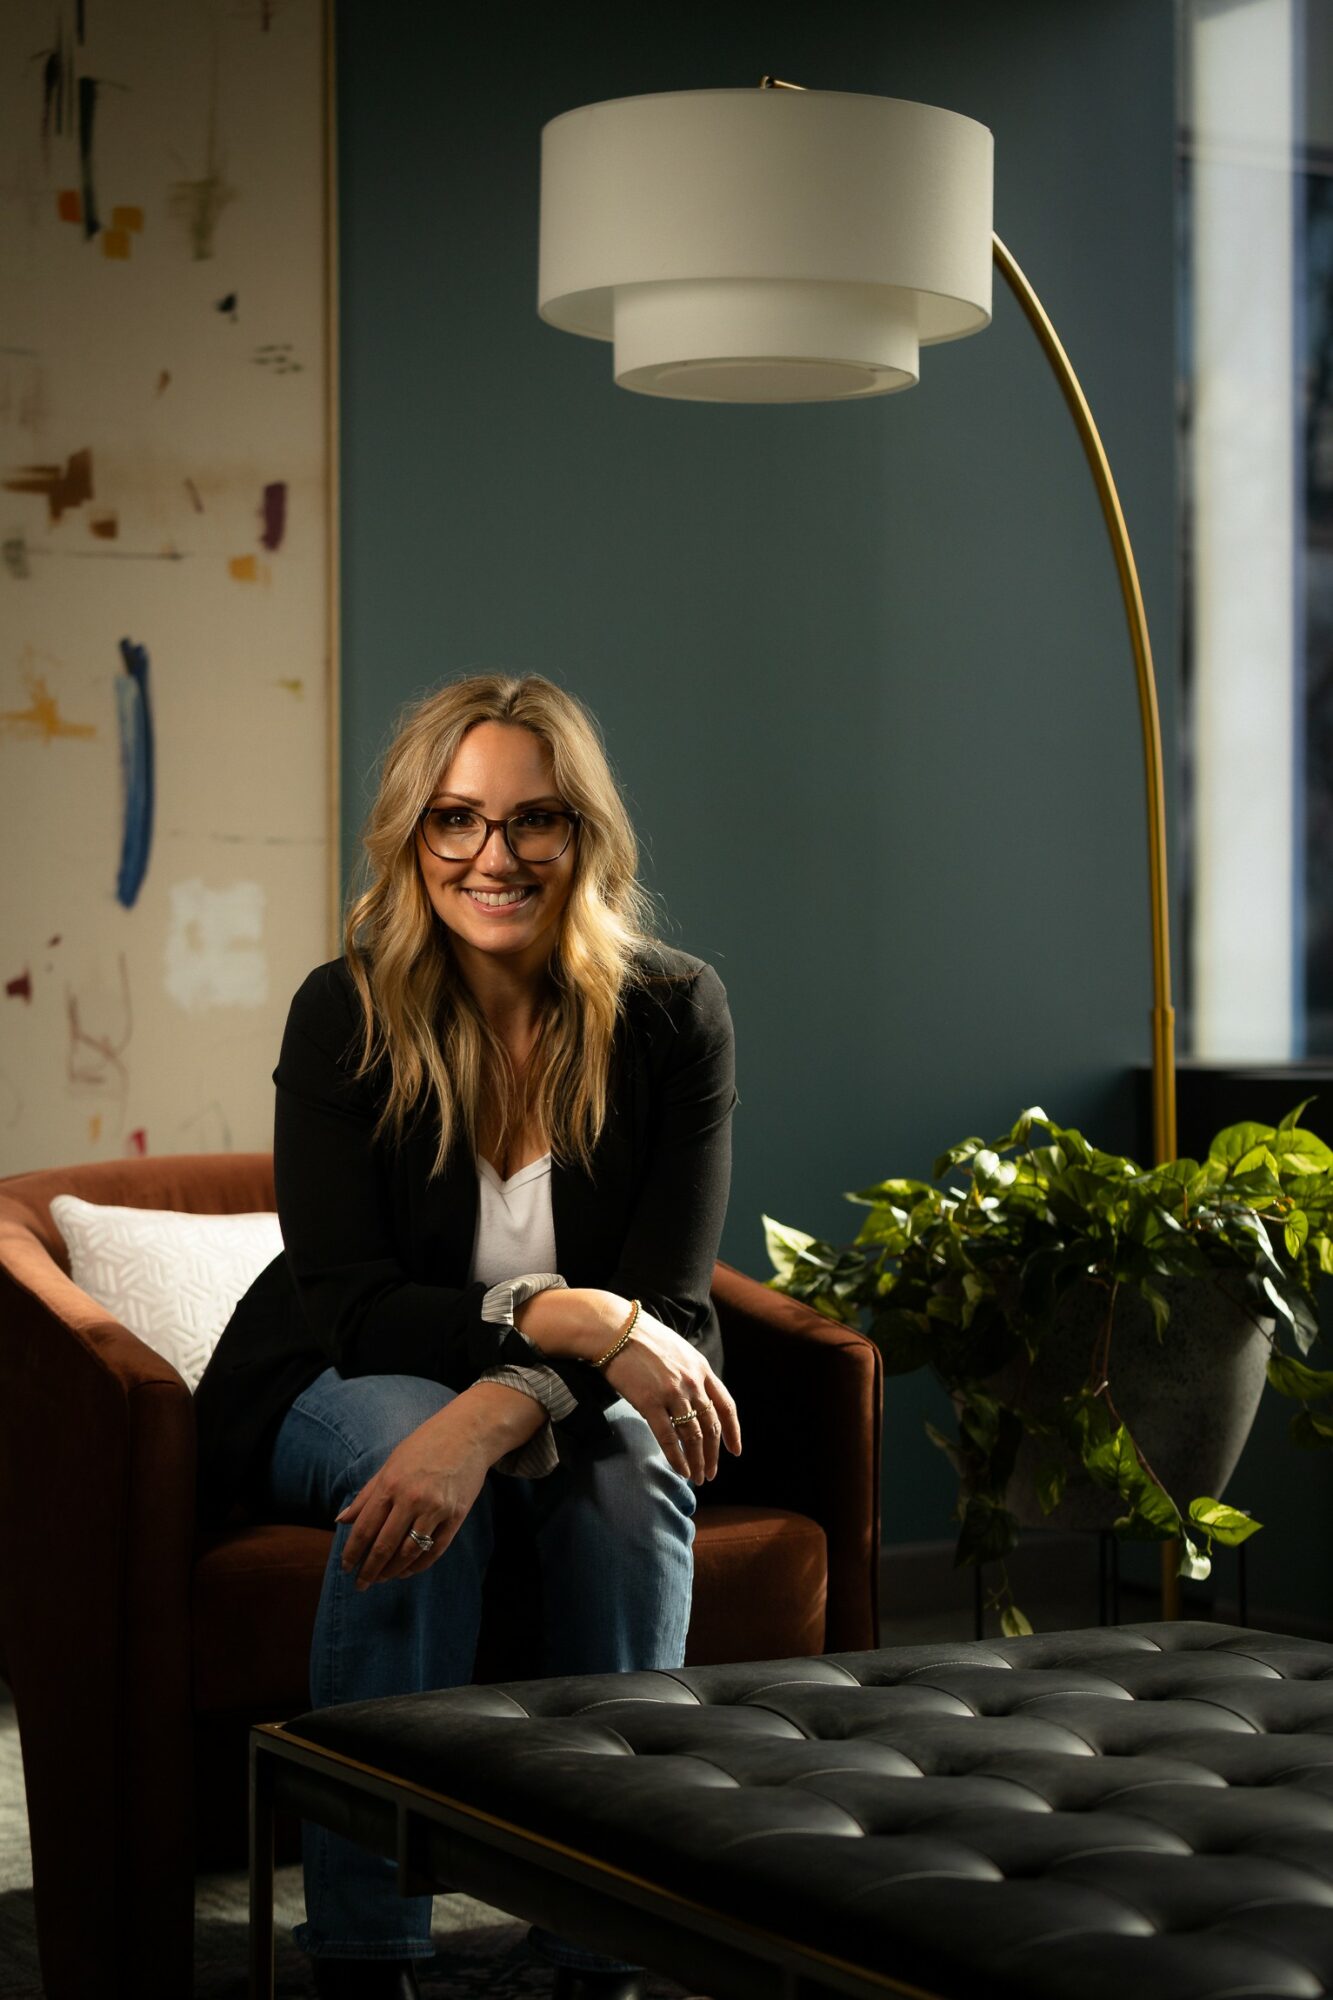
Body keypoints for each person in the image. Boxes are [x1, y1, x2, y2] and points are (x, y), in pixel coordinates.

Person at [194, 673, 740, 2000]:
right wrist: (562, 1311)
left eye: (532, 819)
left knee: (631, 1479)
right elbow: (352, 1299)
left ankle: (602, 1938)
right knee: (403, 1442)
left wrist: (501, 1409)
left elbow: (667, 1305)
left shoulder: (672, 1013)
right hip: (338, 1371)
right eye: (457, 819)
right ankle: (366, 1953)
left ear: (583, 835)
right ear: (412, 835)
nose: (494, 857)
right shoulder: (345, 1011)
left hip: (547, 1398)